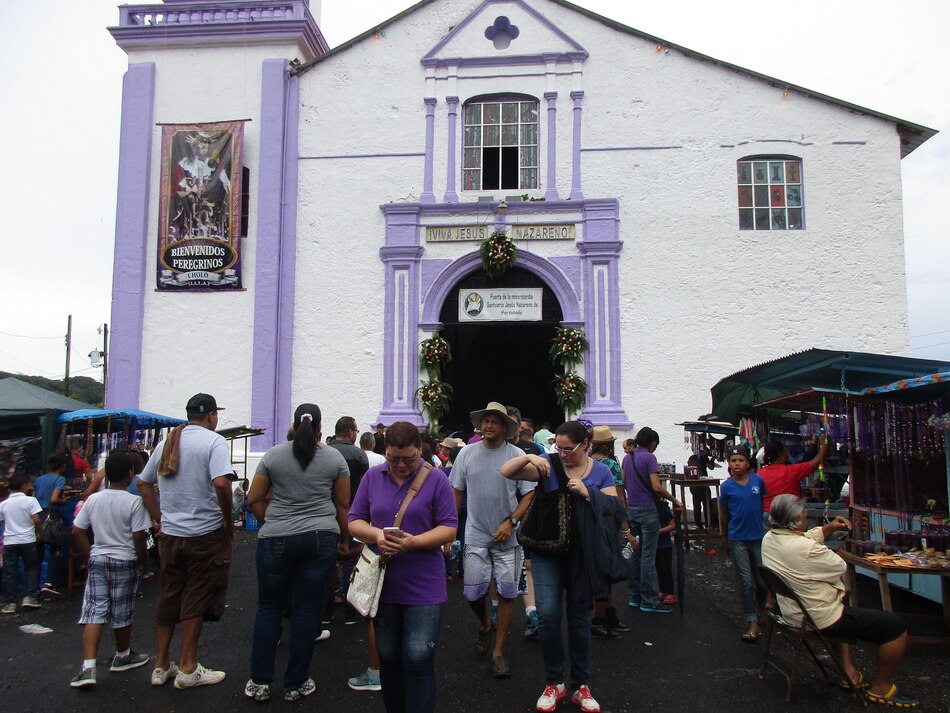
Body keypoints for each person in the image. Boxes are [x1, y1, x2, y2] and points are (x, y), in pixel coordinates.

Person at [500, 421, 634, 713]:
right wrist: (530, 456)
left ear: (585, 445)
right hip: (547, 549)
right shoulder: (548, 464)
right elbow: (507, 472)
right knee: (548, 615)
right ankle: (554, 681)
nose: (563, 454)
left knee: (580, 618)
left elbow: (616, 508)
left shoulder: (600, 471)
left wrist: (588, 493)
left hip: (582, 553)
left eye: (569, 449)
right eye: (558, 448)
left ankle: (581, 685)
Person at [761, 494, 919, 708]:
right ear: (797, 520)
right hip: (817, 617)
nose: (806, 518)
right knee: (896, 627)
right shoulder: (807, 550)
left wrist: (828, 528)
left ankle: (849, 672)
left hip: (794, 612)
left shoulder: (770, 539)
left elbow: (802, 539)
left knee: (841, 609)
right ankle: (881, 687)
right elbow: (838, 567)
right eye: (804, 515)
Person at [348, 421, 458, 713]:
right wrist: (377, 535)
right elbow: (355, 520)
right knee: (388, 656)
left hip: (424, 582)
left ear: (420, 449)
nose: (400, 465)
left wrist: (413, 543)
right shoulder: (373, 477)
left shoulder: (436, 479)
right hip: (384, 581)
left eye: (408, 459)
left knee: (419, 657)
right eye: (393, 458)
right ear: (385, 451)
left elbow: (449, 528)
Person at [244, 403, 350, 703]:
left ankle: (260, 682)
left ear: (294, 425)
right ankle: (296, 682)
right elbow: (343, 505)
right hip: (321, 537)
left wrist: (269, 522)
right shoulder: (334, 458)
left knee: (269, 609)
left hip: (276, 537)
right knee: (306, 610)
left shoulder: (273, 456)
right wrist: (344, 541)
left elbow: (254, 498)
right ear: (320, 428)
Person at [137, 393, 234, 689]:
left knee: (169, 593)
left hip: (171, 534)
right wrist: (227, 518)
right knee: (197, 593)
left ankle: (161, 664)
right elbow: (221, 482)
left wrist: (158, 517)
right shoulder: (214, 442)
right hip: (204, 533)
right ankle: (188, 667)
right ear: (212, 415)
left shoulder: (168, 441)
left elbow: (143, 482)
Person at [450, 401, 536, 679]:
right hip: (475, 533)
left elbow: (529, 493)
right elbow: (456, 491)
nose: (488, 425)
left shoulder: (517, 454)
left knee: (508, 593)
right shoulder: (466, 454)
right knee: (473, 593)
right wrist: (450, 528)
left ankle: (498, 652)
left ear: (504, 427)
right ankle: (486, 622)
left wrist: (511, 522)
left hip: (508, 537)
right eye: (485, 420)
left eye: (494, 421)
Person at [69, 451, 151, 688]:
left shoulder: (93, 500)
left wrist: (89, 554)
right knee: (122, 610)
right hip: (125, 559)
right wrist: (142, 559)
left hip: (98, 557)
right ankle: (123, 655)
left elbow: (77, 531)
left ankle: (88, 667)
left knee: (94, 610)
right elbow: (139, 536)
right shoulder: (134, 502)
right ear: (130, 474)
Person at [622, 427, 682, 613]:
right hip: (648, 510)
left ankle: (635, 596)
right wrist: (674, 500)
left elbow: (623, 482)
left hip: (632, 509)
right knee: (648, 556)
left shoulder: (627, 458)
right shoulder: (649, 458)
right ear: (652, 443)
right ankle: (649, 600)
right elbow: (657, 487)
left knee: (635, 553)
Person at [718, 445, 768, 641]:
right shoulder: (726, 487)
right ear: (729, 464)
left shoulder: (758, 481)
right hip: (737, 538)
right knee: (746, 582)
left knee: (762, 581)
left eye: (740, 460)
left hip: (758, 537)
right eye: (733, 461)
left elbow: (761, 505)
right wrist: (724, 539)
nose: (737, 464)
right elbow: (724, 514)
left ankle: (761, 608)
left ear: (748, 463)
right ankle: (751, 621)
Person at [589, 425, 630, 636]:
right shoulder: (611, 465)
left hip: (590, 520)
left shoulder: (586, 463)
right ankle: (600, 618)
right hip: (608, 522)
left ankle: (609, 614)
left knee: (601, 569)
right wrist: (626, 528)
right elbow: (619, 498)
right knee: (607, 569)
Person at [0, 473, 43, 613]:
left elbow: (3, 522)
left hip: (10, 540)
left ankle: (9, 603)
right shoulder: (30, 501)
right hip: (28, 539)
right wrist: (40, 533)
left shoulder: (3, 504)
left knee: (9, 571)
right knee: (31, 567)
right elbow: (36, 520)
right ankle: (30, 597)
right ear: (24, 486)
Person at [759, 436, 828, 516]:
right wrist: (824, 443)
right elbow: (818, 460)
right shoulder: (791, 471)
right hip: (789, 514)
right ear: (780, 454)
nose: (787, 454)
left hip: (767, 515)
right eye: (785, 451)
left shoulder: (760, 474)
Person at [34, 453, 69, 594]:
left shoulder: (39, 479)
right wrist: (63, 501)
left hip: (38, 514)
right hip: (51, 514)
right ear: (63, 466)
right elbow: (54, 499)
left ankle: (35, 584)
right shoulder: (60, 479)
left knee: (39, 550)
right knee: (56, 548)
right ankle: (49, 582)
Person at [686, 443, 716, 529]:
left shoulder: (691, 458)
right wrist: (712, 460)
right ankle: (708, 524)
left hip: (693, 483)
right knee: (707, 504)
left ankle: (698, 525)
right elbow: (711, 467)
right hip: (703, 483)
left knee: (696, 504)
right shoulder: (703, 457)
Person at [655, 500, 676, 605]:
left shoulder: (662, 507)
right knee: (658, 569)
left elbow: (673, 525)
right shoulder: (646, 508)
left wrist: (660, 531)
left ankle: (670, 593)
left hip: (665, 545)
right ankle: (662, 590)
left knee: (666, 569)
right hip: (655, 546)